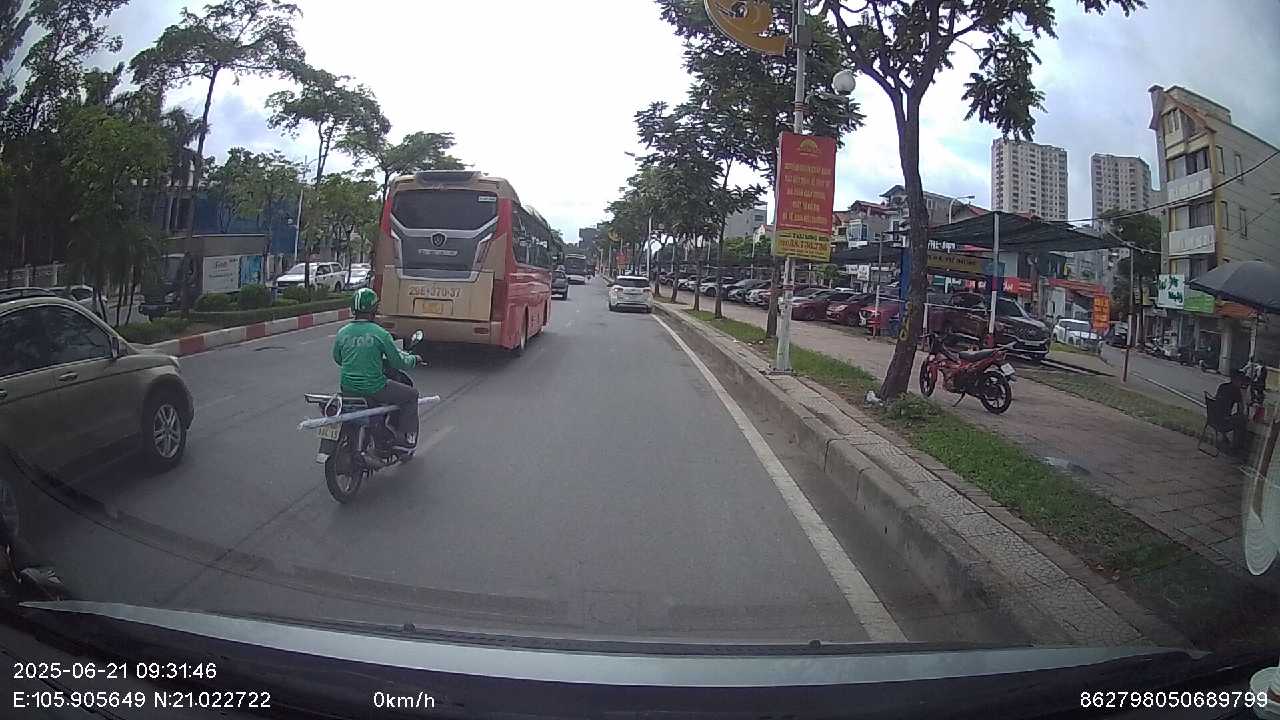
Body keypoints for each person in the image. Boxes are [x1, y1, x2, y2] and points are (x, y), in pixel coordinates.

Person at [332, 288, 421, 449]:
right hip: (374, 387)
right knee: (411, 395)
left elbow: (338, 359)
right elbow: (398, 362)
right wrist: (414, 359)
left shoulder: (342, 333)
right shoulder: (380, 334)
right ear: (374, 309)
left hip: (348, 388)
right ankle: (408, 437)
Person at [1216, 369, 1250, 454]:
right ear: (1236, 380)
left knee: (1236, 418)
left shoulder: (1222, 386)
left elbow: (1216, 401)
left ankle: (1225, 438)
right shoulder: (1236, 391)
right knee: (1242, 421)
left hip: (1213, 417)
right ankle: (1236, 446)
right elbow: (1241, 409)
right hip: (1224, 420)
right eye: (1241, 381)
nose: (1242, 383)